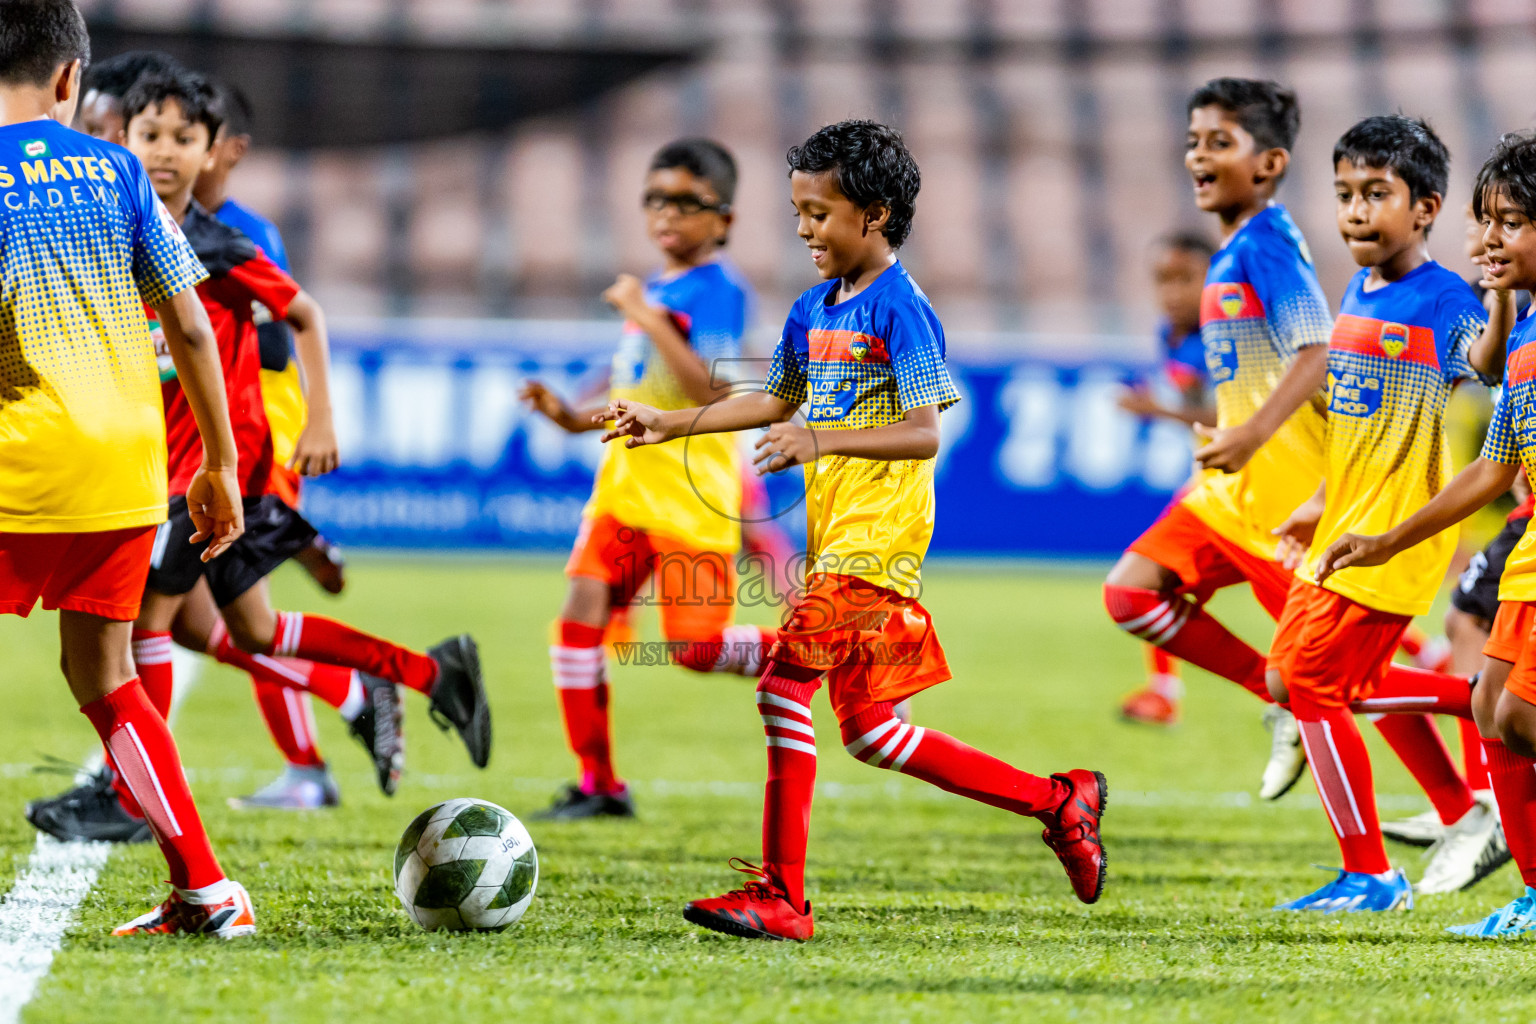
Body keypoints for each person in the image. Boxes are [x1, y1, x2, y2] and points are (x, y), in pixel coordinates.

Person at [599, 120, 1108, 941]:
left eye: (820, 214)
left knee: (781, 688)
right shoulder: (812, 306)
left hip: (878, 541)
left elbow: (922, 431)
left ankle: (782, 897)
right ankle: (1058, 801)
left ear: (874, 214)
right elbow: (772, 399)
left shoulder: (904, 310)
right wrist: (671, 421)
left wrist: (820, 437)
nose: (805, 230)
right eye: (799, 213)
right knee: (873, 733)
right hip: (840, 543)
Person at [25, 68, 490, 845]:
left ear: (211, 153)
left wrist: (320, 420)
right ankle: (429, 674)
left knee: (146, 621)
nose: (163, 152)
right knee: (253, 631)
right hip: (163, 463)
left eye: (183, 139)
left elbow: (300, 314)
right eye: (148, 136)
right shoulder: (115, 228)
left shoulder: (215, 244)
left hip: (207, 473)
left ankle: (129, 796)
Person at [0, 0, 252, 937]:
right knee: (106, 677)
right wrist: (218, 463)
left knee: (101, 674)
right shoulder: (112, 166)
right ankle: (207, 890)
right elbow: (189, 320)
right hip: (127, 472)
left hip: (19, 465)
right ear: (71, 79)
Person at [1268, 116, 1506, 911]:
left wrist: (1499, 298)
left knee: (1312, 684)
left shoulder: (1445, 300)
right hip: (1343, 526)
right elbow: (1353, 424)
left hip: (1395, 540)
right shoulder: (1356, 289)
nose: (1357, 212)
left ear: (1426, 208)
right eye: (1344, 195)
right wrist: (1317, 501)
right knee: (1300, 678)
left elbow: (1488, 362)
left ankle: (1369, 875)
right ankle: (1487, 713)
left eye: (1377, 194)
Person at [1315, 130, 1536, 936]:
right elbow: (1490, 469)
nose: (1485, 242)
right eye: (1486, 223)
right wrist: (1386, 539)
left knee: (1506, 716)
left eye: (1508, 223)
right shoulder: (1520, 340)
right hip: (1520, 558)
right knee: (1493, 710)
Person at [519, 138, 777, 821]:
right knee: (577, 623)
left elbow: (711, 388)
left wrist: (644, 315)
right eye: (656, 199)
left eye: (688, 203)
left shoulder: (717, 290)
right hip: (623, 493)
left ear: (724, 220)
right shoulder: (657, 290)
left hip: (691, 497)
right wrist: (571, 419)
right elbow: (640, 388)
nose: (668, 214)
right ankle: (599, 784)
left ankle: (821, 652)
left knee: (696, 650)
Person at [1116, 231, 1216, 726]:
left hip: (1256, 481)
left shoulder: (1226, 336)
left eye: (1185, 279)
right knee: (1155, 578)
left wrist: (1158, 409)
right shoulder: (1171, 334)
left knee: (1303, 585)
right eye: (1163, 280)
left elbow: (1233, 416)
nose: (1172, 292)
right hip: (1210, 477)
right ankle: (1164, 692)